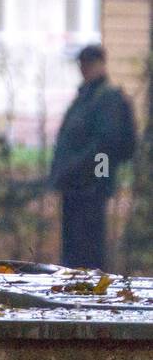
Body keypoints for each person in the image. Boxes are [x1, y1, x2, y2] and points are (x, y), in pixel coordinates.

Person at [49, 44, 135, 270]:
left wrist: (98, 179)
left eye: (88, 64)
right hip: (74, 185)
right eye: (81, 64)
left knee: (88, 250)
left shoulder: (107, 98)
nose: (83, 69)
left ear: (100, 64)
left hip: (89, 187)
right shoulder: (86, 96)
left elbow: (107, 145)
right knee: (73, 250)